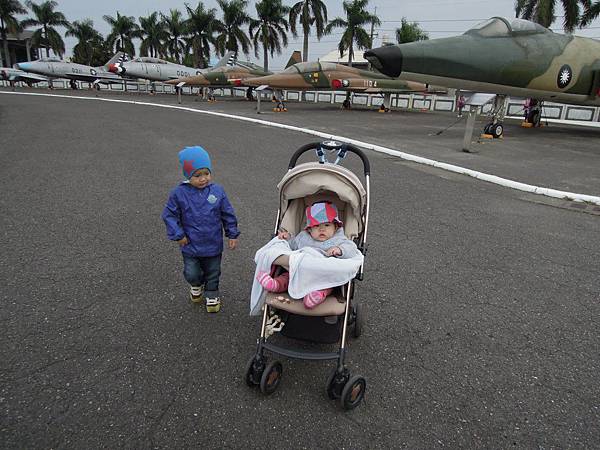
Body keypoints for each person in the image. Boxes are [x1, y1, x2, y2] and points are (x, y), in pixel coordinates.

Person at [162, 146, 240, 313]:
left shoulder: (217, 191)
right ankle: (196, 284)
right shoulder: (179, 194)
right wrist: (178, 234)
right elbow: (169, 215)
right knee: (192, 272)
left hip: (213, 244)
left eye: (206, 173)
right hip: (190, 244)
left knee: (213, 271)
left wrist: (232, 233)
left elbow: (227, 213)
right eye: (197, 175)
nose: (203, 179)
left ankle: (212, 294)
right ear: (187, 175)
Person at [256, 202, 360, 309]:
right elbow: (292, 246)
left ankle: (317, 295)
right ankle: (276, 284)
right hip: (301, 271)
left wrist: (340, 250)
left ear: (335, 227)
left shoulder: (339, 239)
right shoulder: (303, 237)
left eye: (327, 225)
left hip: (323, 275)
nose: (322, 229)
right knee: (289, 276)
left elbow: (351, 248)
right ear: (309, 229)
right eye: (316, 226)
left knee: (327, 284)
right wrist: (286, 238)